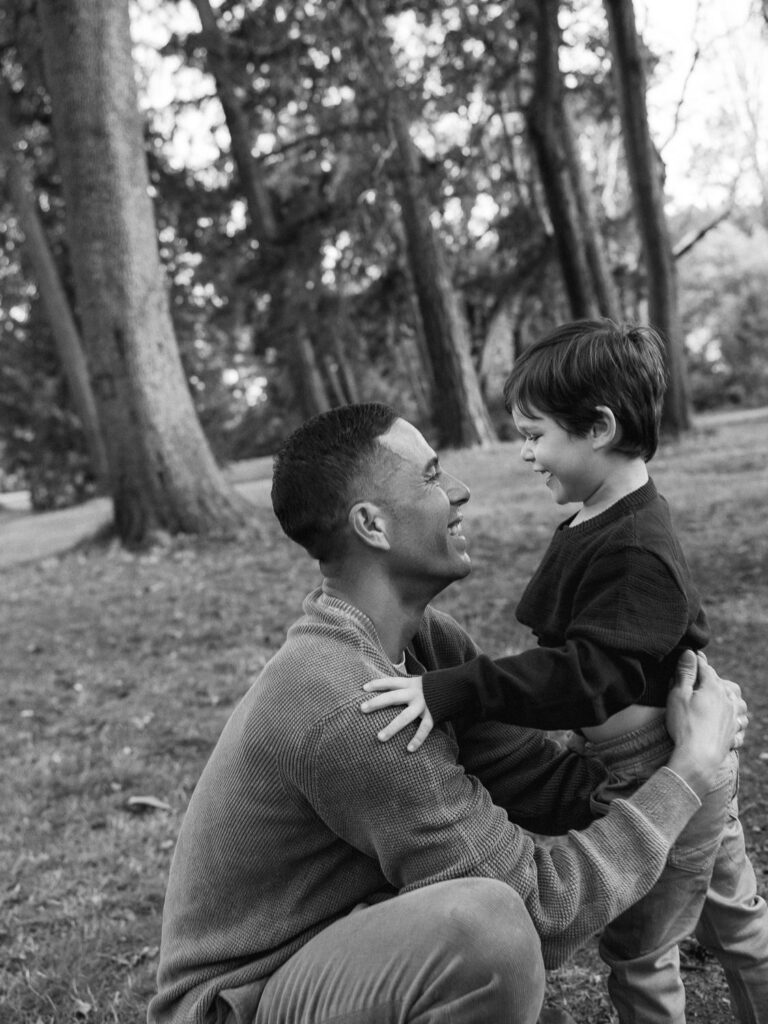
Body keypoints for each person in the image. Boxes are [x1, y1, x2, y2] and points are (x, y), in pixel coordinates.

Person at [148, 402, 747, 1024]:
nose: (460, 492)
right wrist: (687, 773)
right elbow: (543, 908)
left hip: (351, 948)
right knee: (488, 933)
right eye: (433, 477)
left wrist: (675, 725)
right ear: (372, 525)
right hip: (242, 1000)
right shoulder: (348, 704)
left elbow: (546, 789)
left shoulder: (426, 644)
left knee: (489, 931)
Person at [361, 323, 768, 1024]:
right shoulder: (597, 519)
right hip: (635, 757)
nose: (525, 453)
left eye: (535, 434)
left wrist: (454, 687)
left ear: (600, 428)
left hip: (664, 767)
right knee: (733, 917)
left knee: (645, 949)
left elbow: (585, 677)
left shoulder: (638, 547)